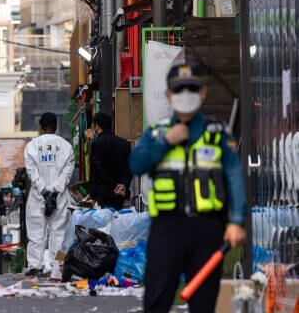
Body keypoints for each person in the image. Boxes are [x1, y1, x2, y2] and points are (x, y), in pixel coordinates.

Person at [130, 62, 246, 313]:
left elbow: (234, 175)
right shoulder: (156, 132)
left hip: (208, 228)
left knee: (204, 303)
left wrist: (236, 220)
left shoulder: (218, 133)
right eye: (179, 90)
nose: (186, 96)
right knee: (157, 299)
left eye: (192, 89)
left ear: (203, 93)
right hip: (166, 229)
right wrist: (166, 141)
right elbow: (137, 163)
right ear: (169, 95)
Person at [23, 112, 75, 276]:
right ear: (56, 127)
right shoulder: (67, 147)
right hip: (59, 198)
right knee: (59, 233)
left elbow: (32, 174)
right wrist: (55, 192)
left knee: (36, 232)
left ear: (40, 127)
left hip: (37, 197)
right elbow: (66, 175)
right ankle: (56, 267)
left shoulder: (31, 146)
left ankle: (35, 266)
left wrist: (45, 191)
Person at [89, 112, 133, 210]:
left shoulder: (96, 144)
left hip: (102, 194)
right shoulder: (124, 143)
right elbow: (130, 167)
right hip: (121, 194)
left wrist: (115, 186)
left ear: (97, 126)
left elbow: (98, 170)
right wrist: (123, 185)